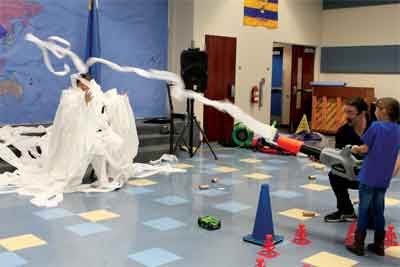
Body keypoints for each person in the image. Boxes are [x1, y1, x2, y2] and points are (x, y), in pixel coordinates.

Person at [346, 97, 400, 256]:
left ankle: (358, 244)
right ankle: (378, 244)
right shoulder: (398, 129)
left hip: (369, 175)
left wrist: (355, 149)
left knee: (363, 210)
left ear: (384, 111)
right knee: (378, 211)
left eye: (377, 108)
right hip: (384, 178)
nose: (375, 111)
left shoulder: (376, 127)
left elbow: (365, 148)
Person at [324, 97, 371, 223]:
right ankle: (346, 211)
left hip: (375, 174)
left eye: (350, 113)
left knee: (371, 221)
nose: (346, 116)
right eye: (345, 112)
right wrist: (325, 159)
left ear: (362, 113)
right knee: (334, 174)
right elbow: (339, 158)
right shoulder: (342, 132)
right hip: (354, 172)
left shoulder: (375, 128)